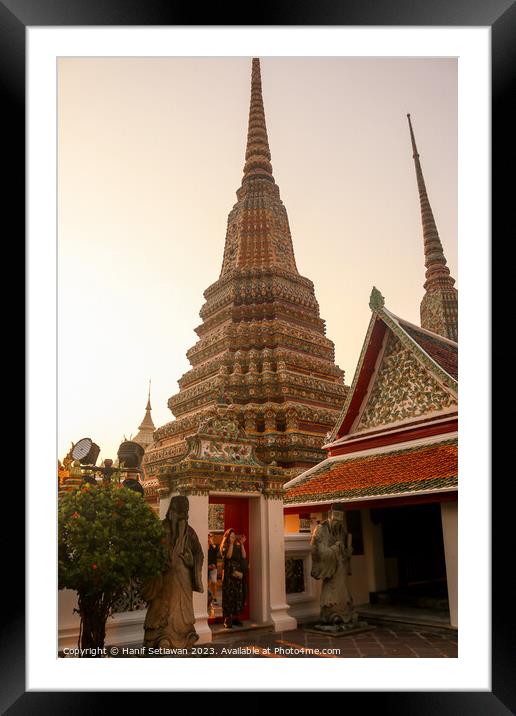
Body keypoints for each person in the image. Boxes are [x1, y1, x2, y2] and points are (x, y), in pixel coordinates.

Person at [141, 495, 204, 650]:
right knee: (162, 607)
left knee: (183, 610)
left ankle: (185, 637)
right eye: (179, 512)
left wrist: (191, 562)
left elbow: (199, 554)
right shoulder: (160, 529)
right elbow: (149, 551)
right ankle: (161, 638)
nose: (182, 517)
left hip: (184, 578)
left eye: (185, 513)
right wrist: (159, 562)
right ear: (171, 511)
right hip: (165, 578)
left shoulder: (189, 533)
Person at [310, 504, 358, 629]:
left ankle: (345, 613)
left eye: (340, 519)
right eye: (335, 518)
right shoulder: (321, 529)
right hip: (331, 568)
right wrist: (336, 547)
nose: (338, 522)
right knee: (331, 591)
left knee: (343, 591)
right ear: (330, 515)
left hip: (340, 568)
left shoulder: (341, 530)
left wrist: (347, 551)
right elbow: (321, 552)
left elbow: (344, 551)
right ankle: (330, 614)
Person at [219, 527, 247, 628]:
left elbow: (244, 556)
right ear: (227, 537)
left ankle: (236, 618)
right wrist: (231, 543)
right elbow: (229, 556)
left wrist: (242, 544)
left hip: (237, 575)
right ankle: (227, 619)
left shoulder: (237, 545)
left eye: (234, 537)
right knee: (228, 597)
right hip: (228, 576)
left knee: (238, 596)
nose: (233, 538)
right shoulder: (224, 546)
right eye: (231, 537)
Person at [207, 533, 219, 606]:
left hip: (213, 567)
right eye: (208, 536)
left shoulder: (214, 546)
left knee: (214, 582)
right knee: (207, 583)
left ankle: (215, 597)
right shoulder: (205, 545)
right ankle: (208, 597)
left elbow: (217, 551)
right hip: (206, 567)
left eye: (211, 537)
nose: (209, 538)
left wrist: (212, 543)